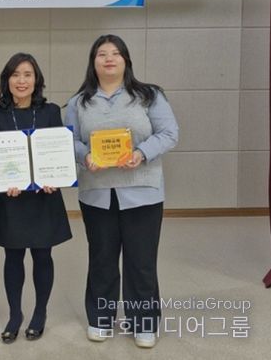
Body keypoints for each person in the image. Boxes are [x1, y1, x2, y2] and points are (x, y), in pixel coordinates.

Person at [64, 34, 178, 349]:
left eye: (116, 53)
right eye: (102, 54)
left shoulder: (149, 96)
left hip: (143, 192)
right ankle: (101, 318)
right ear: (93, 62)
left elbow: (169, 133)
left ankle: (144, 322)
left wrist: (141, 153)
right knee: (102, 258)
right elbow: (69, 139)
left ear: (126, 60)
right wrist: (84, 156)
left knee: (141, 261)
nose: (109, 59)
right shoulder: (78, 102)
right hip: (97, 193)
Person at [0, 53, 72, 343]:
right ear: (6, 80)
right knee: (12, 256)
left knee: (42, 255)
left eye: (27, 74)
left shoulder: (50, 112)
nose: (21, 81)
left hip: (43, 198)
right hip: (11, 198)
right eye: (15, 75)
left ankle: (40, 313)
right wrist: (5, 179)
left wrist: (54, 176)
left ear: (37, 80)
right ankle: (14, 315)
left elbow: (58, 151)